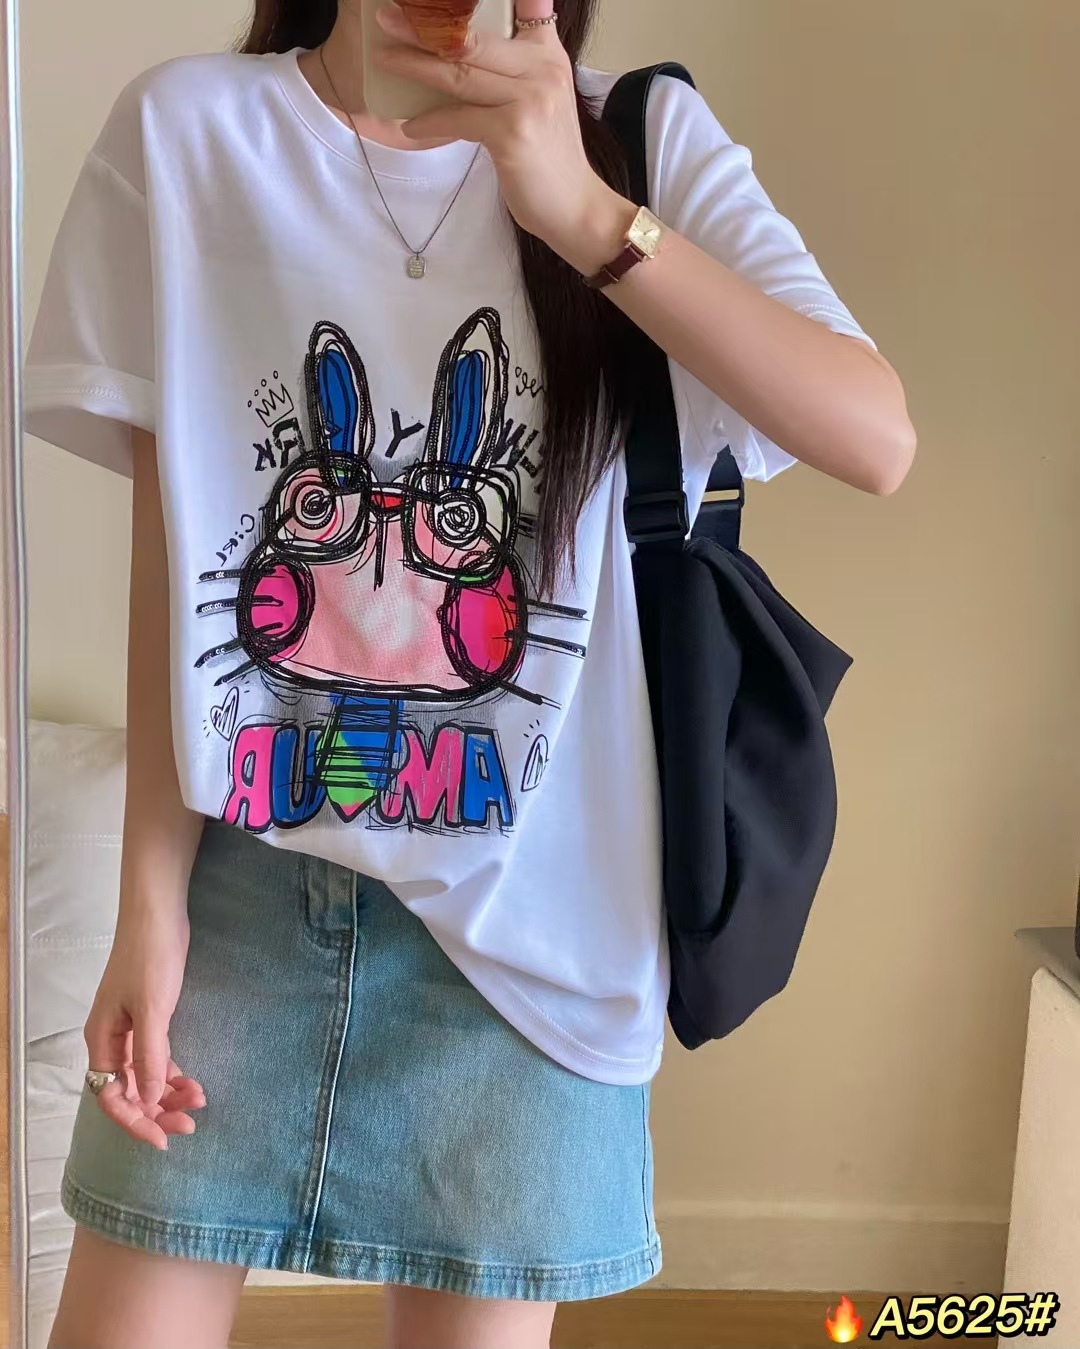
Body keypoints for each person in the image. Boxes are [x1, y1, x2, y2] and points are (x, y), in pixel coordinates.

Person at [25, 1, 916, 1345]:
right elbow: (180, 549)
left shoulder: (641, 142)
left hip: (535, 940)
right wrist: (147, 907)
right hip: (244, 901)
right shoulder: (190, 132)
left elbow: (875, 437)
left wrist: (581, 211)